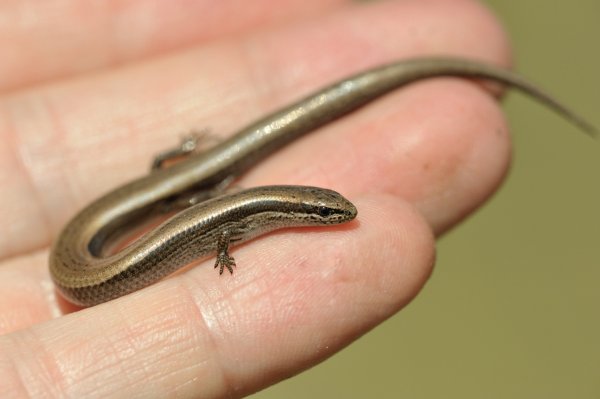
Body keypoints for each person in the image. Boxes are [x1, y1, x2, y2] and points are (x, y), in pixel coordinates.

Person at [0, 0, 515, 397]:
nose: (334, 217)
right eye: (324, 213)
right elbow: (220, 230)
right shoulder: (245, 217)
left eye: (326, 212)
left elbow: (221, 220)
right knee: (189, 197)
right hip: (89, 276)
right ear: (301, 212)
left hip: (134, 223)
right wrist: (220, 246)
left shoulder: (257, 211)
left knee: (193, 194)